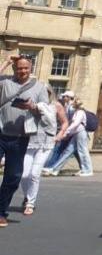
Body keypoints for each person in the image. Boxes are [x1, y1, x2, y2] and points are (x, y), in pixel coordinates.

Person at [0, 54, 53, 227]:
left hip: (20, 139)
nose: (22, 71)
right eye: (19, 67)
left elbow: (45, 112)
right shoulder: (6, 82)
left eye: (26, 68)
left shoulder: (39, 88)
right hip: (1, 133)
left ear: (31, 69)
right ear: (15, 68)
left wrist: (33, 107)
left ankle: (1, 212)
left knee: (13, 177)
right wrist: (7, 62)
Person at [19, 86, 60, 215]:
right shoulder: (30, 105)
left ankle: (30, 203)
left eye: (46, 93)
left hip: (45, 144)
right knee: (24, 174)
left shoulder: (55, 106)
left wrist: (59, 135)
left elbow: (64, 122)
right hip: (30, 143)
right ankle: (27, 196)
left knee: (35, 174)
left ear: (50, 94)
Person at [42, 91, 94, 176]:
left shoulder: (80, 112)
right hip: (75, 133)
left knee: (82, 151)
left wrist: (66, 132)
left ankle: (88, 170)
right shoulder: (75, 111)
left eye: (73, 104)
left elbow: (75, 124)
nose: (71, 105)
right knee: (68, 151)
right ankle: (55, 169)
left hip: (80, 133)